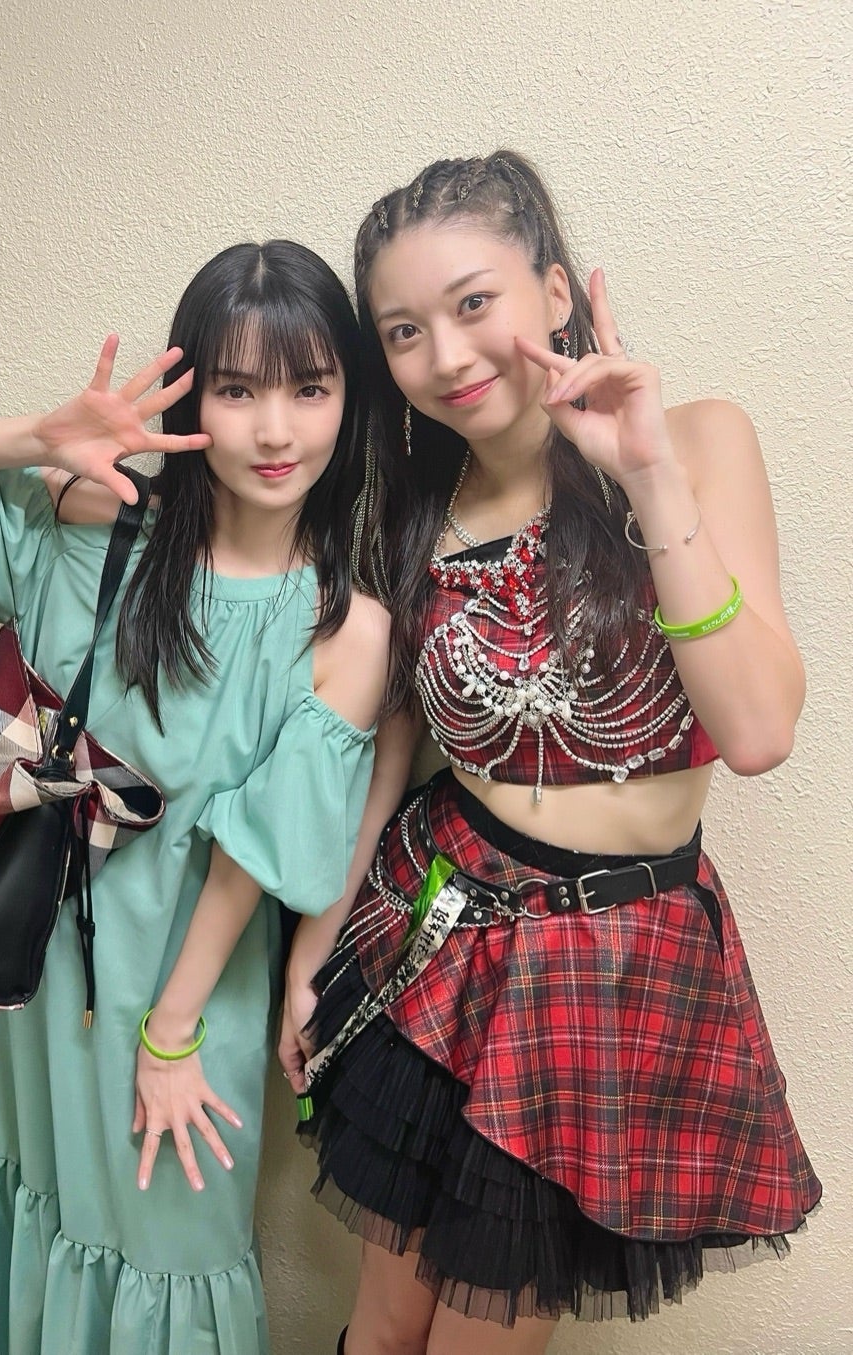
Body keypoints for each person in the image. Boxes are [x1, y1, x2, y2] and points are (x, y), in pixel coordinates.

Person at [280, 153, 821, 1355]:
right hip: (440, 938)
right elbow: (390, 756)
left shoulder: (697, 439)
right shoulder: (412, 513)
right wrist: (312, 950)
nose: (446, 355)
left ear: (557, 291)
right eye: (404, 331)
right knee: (385, 1324)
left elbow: (758, 731)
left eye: (474, 302)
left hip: (610, 972)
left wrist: (648, 473)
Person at [0, 239, 391, 1355]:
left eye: (310, 388)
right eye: (239, 390)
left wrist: (172, 1035)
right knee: (16, 1195)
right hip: (23, 952)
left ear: (348, 400)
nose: (276, 430)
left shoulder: (344, 625)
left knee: (167, 1248)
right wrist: (34, 438)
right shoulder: (99, 528)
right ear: (194, 398)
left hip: (182, 988)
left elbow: (253, 854)